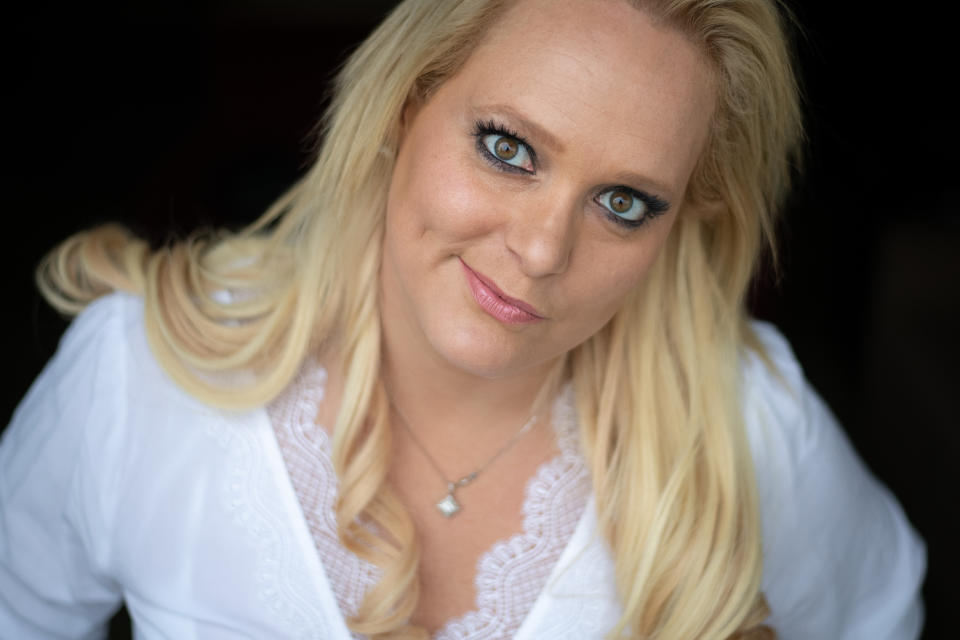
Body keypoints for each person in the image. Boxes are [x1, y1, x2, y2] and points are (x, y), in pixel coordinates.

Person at [0, 0, 925, 638]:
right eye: (507, 147)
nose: (541, 250)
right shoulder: (139, 376)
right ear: (406, 102)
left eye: (625, 203)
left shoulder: (750, 425)